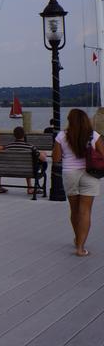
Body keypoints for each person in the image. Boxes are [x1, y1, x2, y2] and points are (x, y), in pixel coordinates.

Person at [53, 108, 104, 257]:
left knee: (74, 210)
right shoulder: (94, 135)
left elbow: (56, 158)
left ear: (70, 121)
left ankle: (77, 239)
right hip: (91, 174)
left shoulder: (62, 136)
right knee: (85, 211)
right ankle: (81, 247)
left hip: (70, 174)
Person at [3, 126, 48, 195]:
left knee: (28, 165)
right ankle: (30, 188)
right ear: (24, 135)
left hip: (10, 170)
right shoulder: (30, 147)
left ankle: (30, 188)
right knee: (39, 163)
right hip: (27, 170)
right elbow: (43, 159)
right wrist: (44, 154)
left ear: (14, 135)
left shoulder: (8, 147)